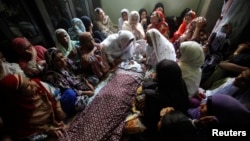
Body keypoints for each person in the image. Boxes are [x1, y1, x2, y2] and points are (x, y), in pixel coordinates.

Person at [0, 74, 66, 140]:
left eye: (28, 80)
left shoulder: (36, 84)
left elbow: (54, 92)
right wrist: (48, 130)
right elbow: (26, 132)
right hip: (41, 130)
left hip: (54, 115)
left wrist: (58, 108)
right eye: (27, 86)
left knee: (69, 95)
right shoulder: (17, 114)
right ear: (18, 96)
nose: (31, 83)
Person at [139, 59, 190, 141]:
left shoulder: (153, 98)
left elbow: (149, 119)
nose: (155, 74)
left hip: (160, 129)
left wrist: (144, 103)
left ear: (162, 77)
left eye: (158, 73)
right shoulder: (179, 82)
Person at [42, 48, 94, 116]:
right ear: (52, 62)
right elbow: (66, 89)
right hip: (66, 94)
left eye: (62, 57)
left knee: (94, 79)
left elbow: (77, 71)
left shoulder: (66, 61)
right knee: (80, 101)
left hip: (74, 84)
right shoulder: (51, 75)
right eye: (58, 60)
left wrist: (87, 82)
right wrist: (86, 92)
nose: (62, 60)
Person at [177, 41, 205, 107]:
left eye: (181, 51)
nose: (178, 51)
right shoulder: (198, 69)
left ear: (188, 55)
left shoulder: (179, 68)